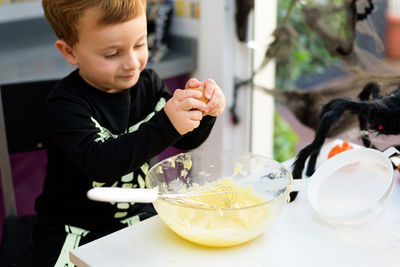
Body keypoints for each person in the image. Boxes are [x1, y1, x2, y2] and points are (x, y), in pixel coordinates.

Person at [33, 0, 226, 266]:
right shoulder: (65, 104)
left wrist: (203, 112)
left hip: (140, 216)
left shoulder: (148, 83)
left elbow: (188, 139)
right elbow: (100, 163)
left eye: (139, 44)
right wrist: (168, 122)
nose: (132, 63)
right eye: (112, 54)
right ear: (70, 51)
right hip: (73, 227)